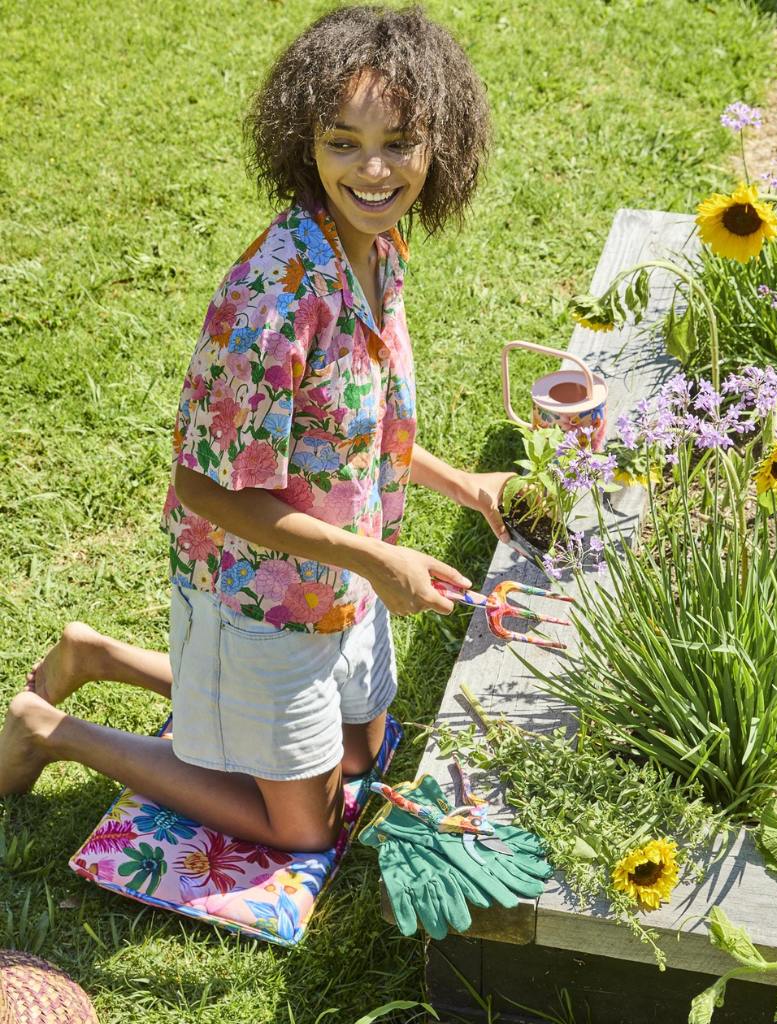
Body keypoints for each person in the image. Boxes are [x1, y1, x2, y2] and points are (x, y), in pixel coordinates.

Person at [0, 4, 511, 853]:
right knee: (310, 830)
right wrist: (382, 560)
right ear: (302, 142)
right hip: (263, 594)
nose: (374, 168)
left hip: (341, 576)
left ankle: (97, 655)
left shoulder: (376, 248)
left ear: (439, 142)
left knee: (360, 755)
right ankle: (51, 729)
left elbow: (353, 434)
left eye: (399, 142)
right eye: (343, 141)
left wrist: (464, 485)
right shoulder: (270, 301)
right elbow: (203, 487)